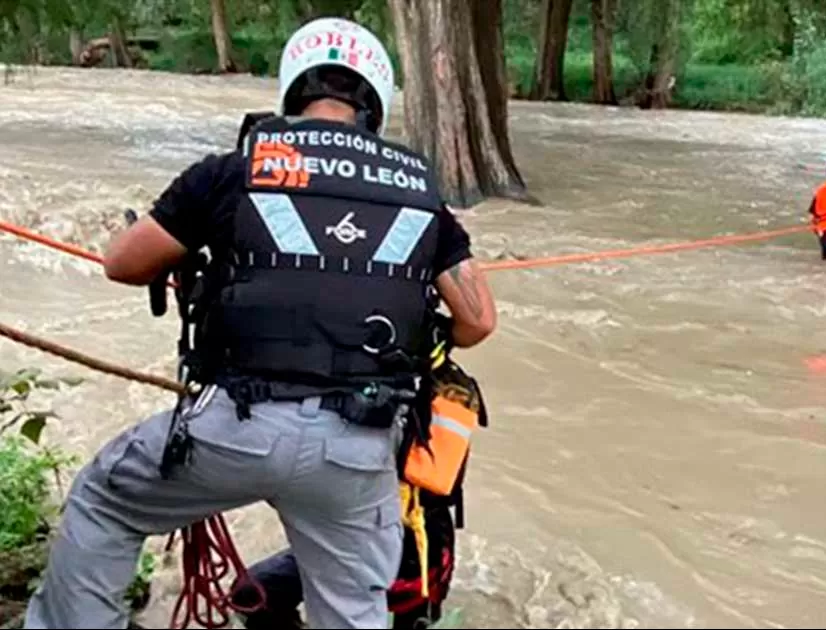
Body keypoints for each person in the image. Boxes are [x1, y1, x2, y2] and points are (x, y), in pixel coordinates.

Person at [22, 17, 497, 630]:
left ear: (292, 89)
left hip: (233, 429)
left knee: (104, 501)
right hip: (357, 448)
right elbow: (479, 321)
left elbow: (122, 262)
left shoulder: (230, 170)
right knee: (353, 612)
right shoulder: (418, 191)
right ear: (374, 101)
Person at [229, 325, 488, 630]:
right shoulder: (340, 384)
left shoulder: (437, 400)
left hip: (411, 550)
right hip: (346, 534)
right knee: (251, 595)